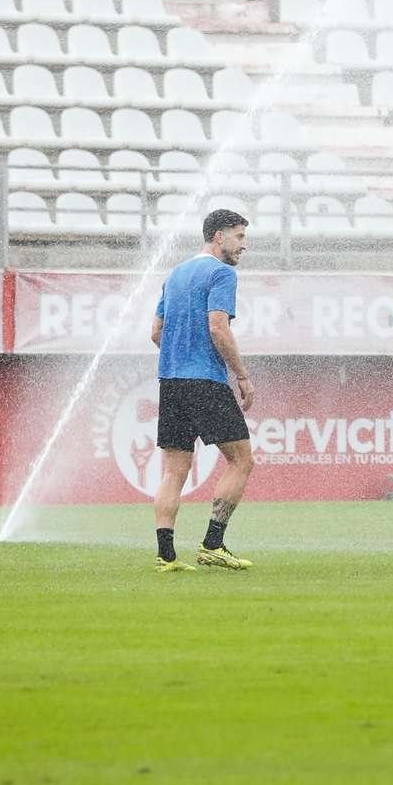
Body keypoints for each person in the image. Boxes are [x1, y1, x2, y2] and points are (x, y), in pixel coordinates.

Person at [149, 209, 256, 573]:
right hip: (205, 382)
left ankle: (166, 556)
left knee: (174, 470)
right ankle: (213, 543)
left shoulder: (176, 274)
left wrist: (180, 356)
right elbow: (218, 328)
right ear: (218, 237)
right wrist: (241, 376)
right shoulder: (222, 272)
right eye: (239, 236)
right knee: (242, 460)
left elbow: (156, 333)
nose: (244, 244)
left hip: (170, 383)